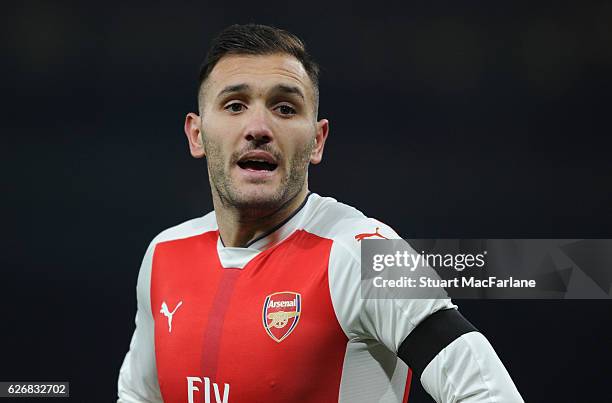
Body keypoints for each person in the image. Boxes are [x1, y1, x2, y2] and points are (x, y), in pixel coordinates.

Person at [117, 24, 523, 403]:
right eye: (235, 105)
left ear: (317, 140)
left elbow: (488, 392)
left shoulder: (366, 257)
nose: (259, 126)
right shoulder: (165, 255)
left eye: (285, 108)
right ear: (197, 133)